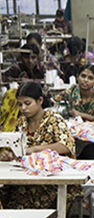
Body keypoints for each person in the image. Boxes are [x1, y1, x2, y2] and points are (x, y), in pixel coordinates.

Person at [0, 82, 79, 210]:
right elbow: (16, 148)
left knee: (21, 198)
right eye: (20, 104)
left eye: (27, 103)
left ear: (40, 100)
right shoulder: (21, 122)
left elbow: (66, 146)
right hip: (25, 178)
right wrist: (8, 155)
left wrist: (35, 150)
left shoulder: (54, 119)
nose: (23, 108)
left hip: (51, 182)